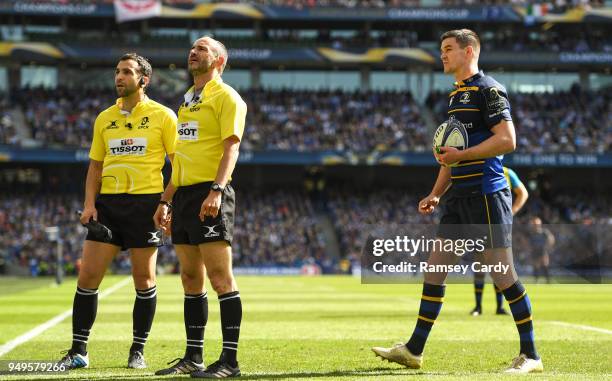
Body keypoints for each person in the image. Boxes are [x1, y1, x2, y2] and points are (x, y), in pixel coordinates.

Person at [371, 29, 543, 374]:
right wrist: (436, 192)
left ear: (469, 51)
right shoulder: (455, 97)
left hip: (486, 193)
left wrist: (462, 153)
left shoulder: (489, 89)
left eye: (448, 49)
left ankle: (531, 355)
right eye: (441, 50)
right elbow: (452, 158)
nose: (443, 55)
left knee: (502, 276)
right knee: (434, 269)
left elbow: (507, 140)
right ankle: (414, 349)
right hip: (458, 197)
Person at [57, 53, 178, 369]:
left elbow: (179, 165)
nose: (119, 77)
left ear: (143, 79)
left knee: (144, 280)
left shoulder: (164, 116)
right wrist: (89, 205)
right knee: (88, 277)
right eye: (117, 71)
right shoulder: (103, 118)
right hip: (108, 206)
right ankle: (78, 350)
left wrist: (167, 203)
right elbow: (95, 166)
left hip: (146, 205)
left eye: (127, 72)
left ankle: (137, 350)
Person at [154, 36, 247, 378]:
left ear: (219, 60)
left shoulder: (227, 97)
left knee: (221, 279)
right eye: (192, 48)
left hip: (211, 195)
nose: (193, 52)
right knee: (191, 279)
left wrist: (217, 190)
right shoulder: (187, 102)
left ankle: (230, 362)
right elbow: (181, 159)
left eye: (202, 48)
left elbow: (231, 149)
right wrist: (166, 199)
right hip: (183, 197)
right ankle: (193, 357)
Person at [471, 166, 529, 316]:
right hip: (480, 224)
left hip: (499, 224)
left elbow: (523, 193)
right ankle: (478, 306)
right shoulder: (477, 169)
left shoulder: (507, 173)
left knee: (499, 266)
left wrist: (511, 211)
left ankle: (499, 306)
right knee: (480, 265)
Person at [528, 216, 555, 283]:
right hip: (535, 250)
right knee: (536, 265)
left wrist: (548, 246)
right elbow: (528, 242)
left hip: (542, 250)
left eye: (536, 223)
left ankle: (547, 280)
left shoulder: (544, 232)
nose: (535, 225)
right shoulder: (531, 233)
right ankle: (536, 280)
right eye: (534, 223)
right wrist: (530, 248)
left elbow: (551, 238)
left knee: (544, 264)